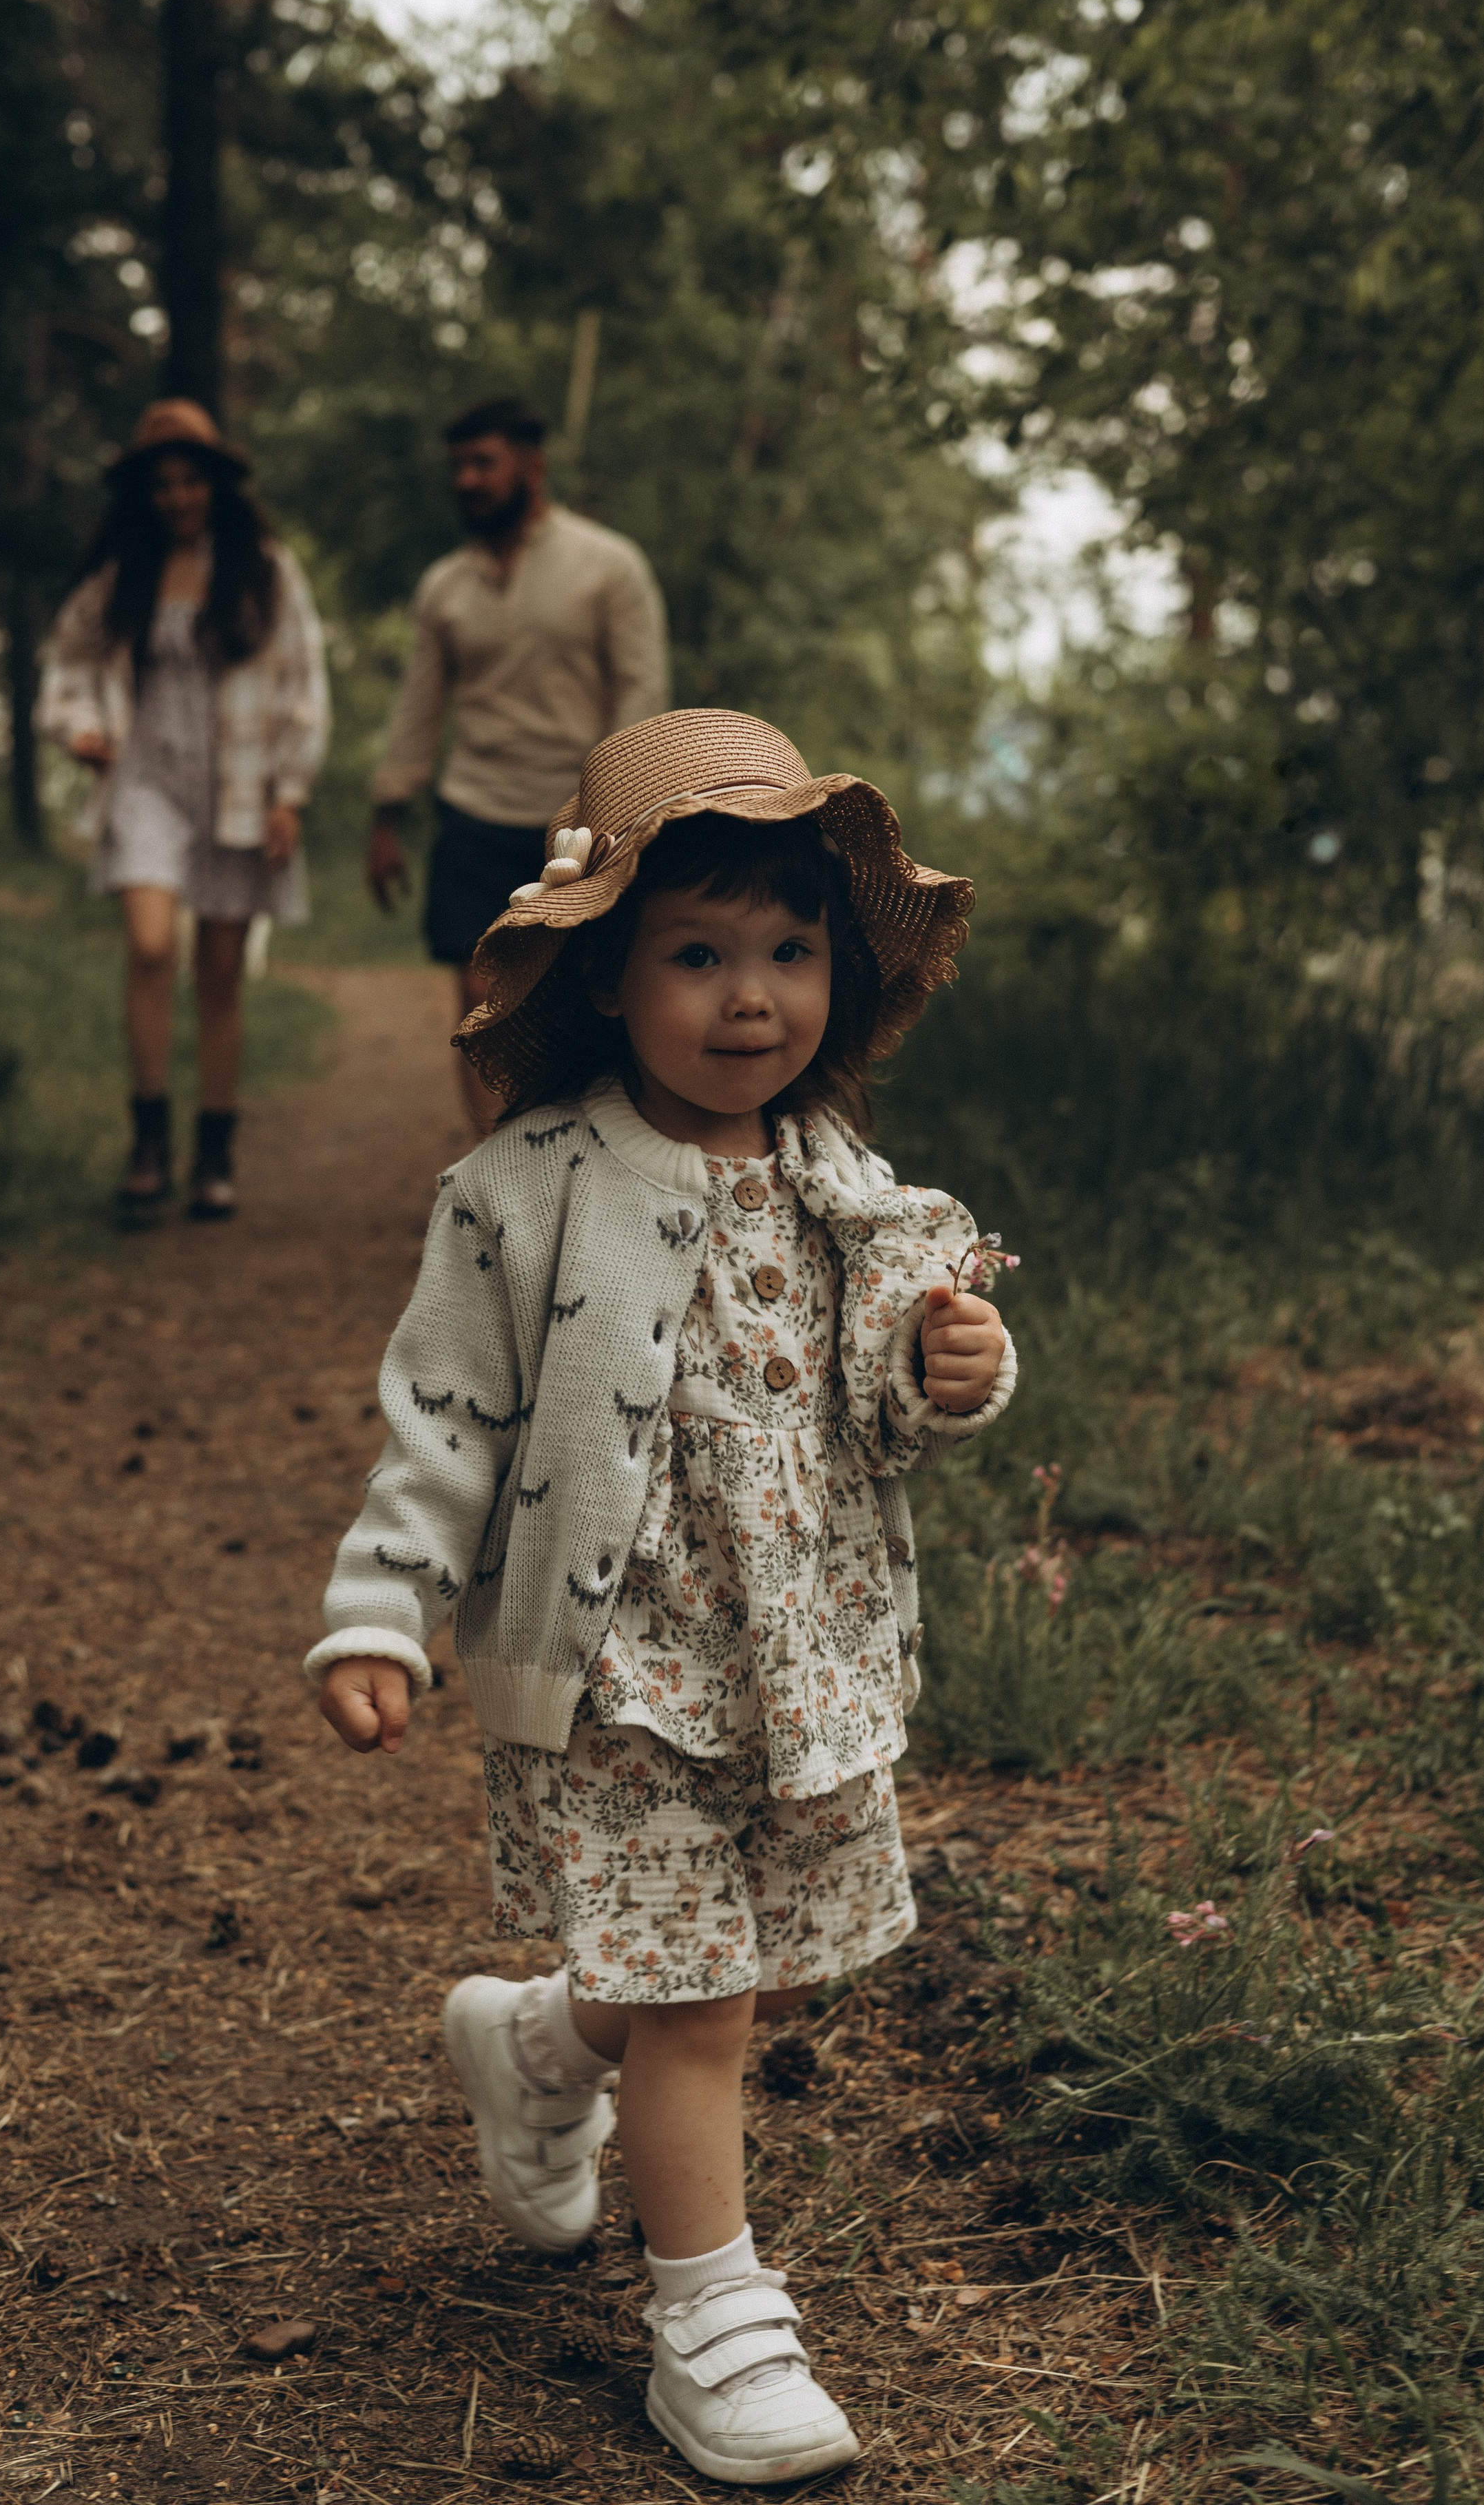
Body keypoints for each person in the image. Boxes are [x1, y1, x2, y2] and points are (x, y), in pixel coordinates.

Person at [306, 709, 1018, 2486]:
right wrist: (383, 1607)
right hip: (624, 1666)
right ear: (611, 978)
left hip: (800, 1668)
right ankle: (709, 2317)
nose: (751, 996)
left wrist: (958, 1367)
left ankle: (542, 2047)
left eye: (788, 952)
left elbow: (887, 1400)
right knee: (705, 2000)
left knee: (722, 1965)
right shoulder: (522, 1195)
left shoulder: (846, 1186)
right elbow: (445, 1422)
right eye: (698, 954)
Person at [36, 399, 330, 1222]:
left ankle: (214, 1150)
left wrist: (290, 794)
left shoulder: (265, 571)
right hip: (144, 782)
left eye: (189, 480)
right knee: (151, 943)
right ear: (143, 493)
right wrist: (79, 730)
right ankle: (147, 1138)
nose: (176, 497)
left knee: (222, 972)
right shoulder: (118, 577)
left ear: (216, 485)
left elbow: (304, 686)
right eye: (161, 484)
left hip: (238, 786)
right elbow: (64, 666)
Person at [364, 396, 669, 1132]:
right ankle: (499, 1181)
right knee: (481, 1004)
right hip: (473, 814)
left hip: (576, 824)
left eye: (483, 463)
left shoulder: (608, 567)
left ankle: (580, 1177)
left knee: (582, 1005)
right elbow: (419, 706)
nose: (467, 480)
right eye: (459, 467)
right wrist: (387, 811)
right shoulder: (446, 586)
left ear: (532, 467)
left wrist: (624, 818)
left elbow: (642, 694)